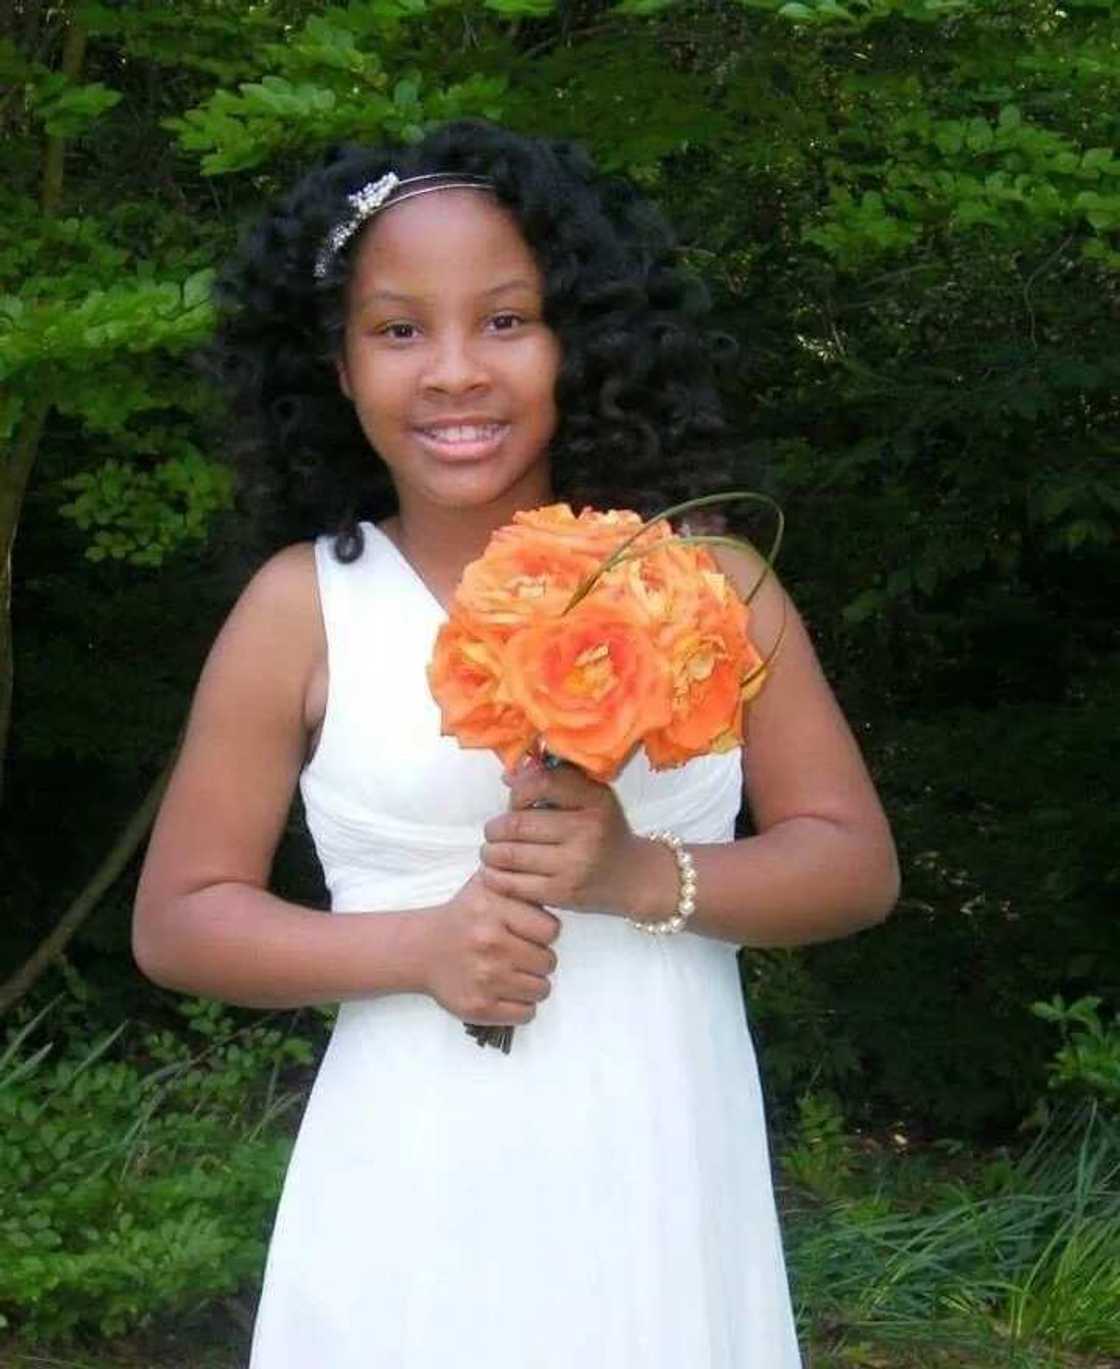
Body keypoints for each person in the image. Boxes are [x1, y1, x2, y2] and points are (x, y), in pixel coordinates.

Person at [133, 120, 899, 1368]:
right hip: (408, 1184)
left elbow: (854, 863)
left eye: (505, 320)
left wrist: (642, 875)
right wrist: (421, 945)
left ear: (579, 340)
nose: (452, 372)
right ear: (333, 365)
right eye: (397, 330)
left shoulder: (708, 582)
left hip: (661, 1165)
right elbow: (178, 920)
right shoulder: (299, 606)